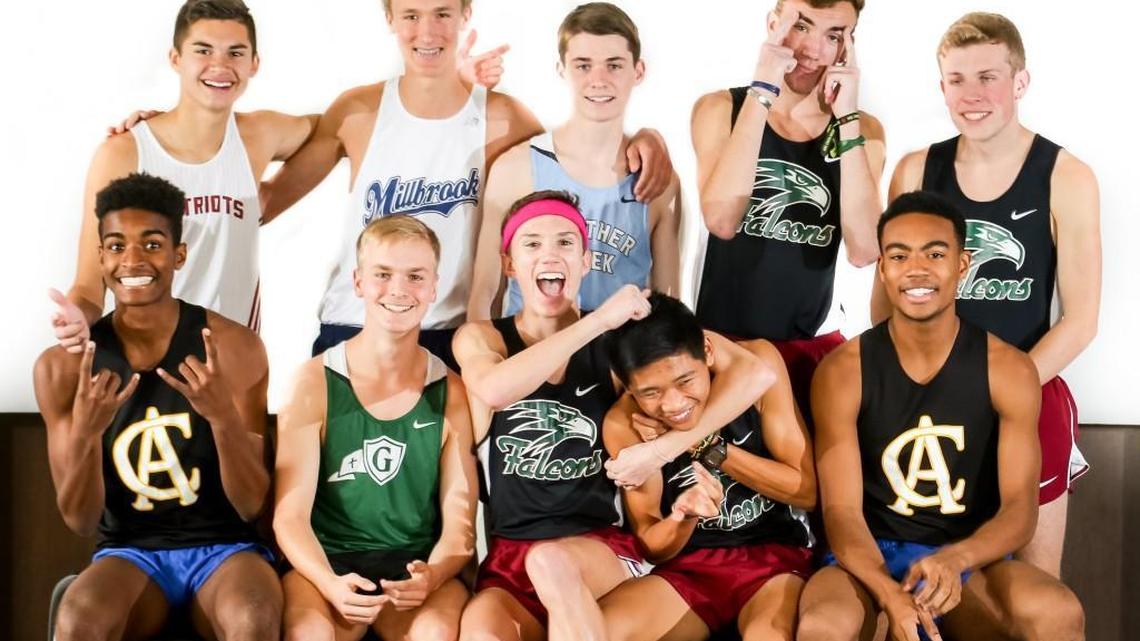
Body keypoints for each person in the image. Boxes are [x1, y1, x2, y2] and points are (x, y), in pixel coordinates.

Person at [257, 0, 673, 371]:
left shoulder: (504, 120)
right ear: (389, 18)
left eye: (442, 13)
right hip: (355, 322)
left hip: (451, 331)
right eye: (411, 15)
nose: (427, 31)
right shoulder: (357, 111)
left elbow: (574, 153)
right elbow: (268, 201)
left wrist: (646, 137)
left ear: (465, 14)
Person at [452, 191, 772, 641]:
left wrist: (665, 448)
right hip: (510, 555)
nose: (549, 254)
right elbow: (494, 389)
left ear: (586, 261)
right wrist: (599, 320)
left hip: (600, 548)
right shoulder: (484, 338)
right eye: (532, 244)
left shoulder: (618, 343)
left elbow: (755, 373)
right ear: (509, 264)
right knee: (480, 630)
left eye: (565, 243)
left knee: (551, 562)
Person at [798, 191, 1084, 641]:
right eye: (899, 256)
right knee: (822, 626)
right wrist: (888, 593)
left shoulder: (1009, 370)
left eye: (934, 254)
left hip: (964, 557)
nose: (916, 269)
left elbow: (1020, 510)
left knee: (1057, 612)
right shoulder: (843, 372)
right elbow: (841, 512)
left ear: (962, 264)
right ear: (883, 269)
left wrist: (958, 558)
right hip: (869, 558)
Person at [873, 12, 1100, 577]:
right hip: (925, 398)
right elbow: (885, 302)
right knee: (922, 578)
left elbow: (1081, 320)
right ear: (941, 86)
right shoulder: (916, 170)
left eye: (987, 77)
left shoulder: (1066, 176)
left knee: (1033, 590)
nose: (971, 95)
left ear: (1020, 82)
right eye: (957, 79)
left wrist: (996, 393)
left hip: (1028, 389)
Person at [34, 172, 280, 641]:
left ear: (178, 255)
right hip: (130, 552)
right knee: (77, 619)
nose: (132, 260)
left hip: (226, 549)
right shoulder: (61, 369)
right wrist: (87, 434)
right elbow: (80, 520)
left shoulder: (235, 348)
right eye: (116, 246)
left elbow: (252, 504)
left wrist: (222, 418)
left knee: (252, 617)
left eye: (151, 244)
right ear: (101, 257)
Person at [52, 0, 317, 348]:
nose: (220, 65)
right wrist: (77, 318)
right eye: (203, 50)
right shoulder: (124, 153)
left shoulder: (260, 134)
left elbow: (335, 130)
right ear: (176, 58)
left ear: (254, 63)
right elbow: (89, 284)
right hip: (146, 358)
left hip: (234, 358)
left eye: (235, 53)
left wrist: (268, 198)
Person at [273, 216, 478, 641]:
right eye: (383, 274)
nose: (398, 289)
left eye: (415, 276)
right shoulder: (314, 382)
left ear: (434, 287)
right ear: (359, 282)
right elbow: (290, 516)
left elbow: (460, 523)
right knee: (309, 634)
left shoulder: (451, 390)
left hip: (414, 564)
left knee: (436, 633)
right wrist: (328, 582)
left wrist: (433, 575)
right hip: (327, 561)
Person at [689, 0, 886, 425]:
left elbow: (865, 248)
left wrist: (847, 119)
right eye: (801, 26)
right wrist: (763, 89)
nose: (813, 49)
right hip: (722, 348)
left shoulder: (862, 130)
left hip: (808, 351)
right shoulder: (721, 108)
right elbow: (722, 220)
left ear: (849, 45)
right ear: (773, 24)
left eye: (834, 35)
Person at [598, 293, 815, 641]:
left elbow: (805, 491)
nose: (673, 404)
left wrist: (705, 446)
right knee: (597, 630)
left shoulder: (757, 365)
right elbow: (651, 544)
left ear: (708, 352)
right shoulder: (624, 422)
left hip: (773, 556)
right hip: (688, 570)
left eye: (685, 381)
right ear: (628, 386)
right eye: (651, 392)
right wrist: (682, 518)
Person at [467, 2, 680, 319]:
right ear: (561, 69)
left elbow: (670, 308)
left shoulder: (658, 179)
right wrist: (481, 349)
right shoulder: (516, 168)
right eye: (583, 65)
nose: (598, 80)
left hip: (620, 348)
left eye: (614, 65)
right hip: (533, 345)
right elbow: (485, 295)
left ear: (638, 71)